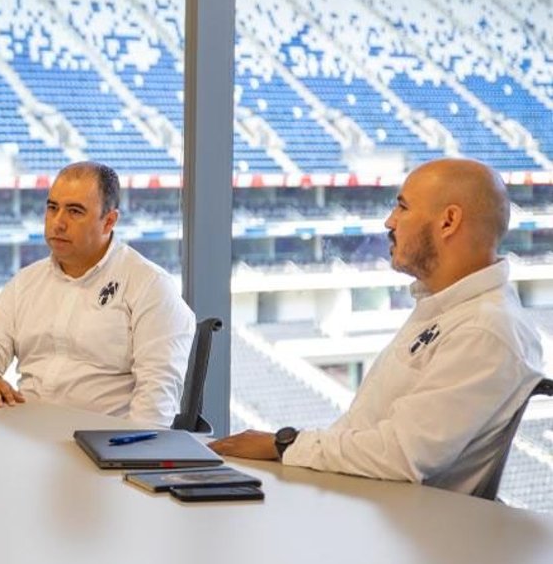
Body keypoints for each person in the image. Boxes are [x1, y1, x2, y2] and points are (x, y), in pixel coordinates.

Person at [211, 158, 543, 495]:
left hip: (405, 533)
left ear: (448, 221)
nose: (390, 221)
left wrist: (281, 445)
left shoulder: (486, 330)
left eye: (402, 207)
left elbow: (400, 455)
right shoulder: (447, 310)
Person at [0, 162, 193, 424]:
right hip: (26, 432)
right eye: (52, 208)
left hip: (101, 444)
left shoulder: (150, 285)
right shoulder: (26, 282)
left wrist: (127, 456)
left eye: (75, 211)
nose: (58, 222)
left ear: (109, 221)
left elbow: (156, 400)